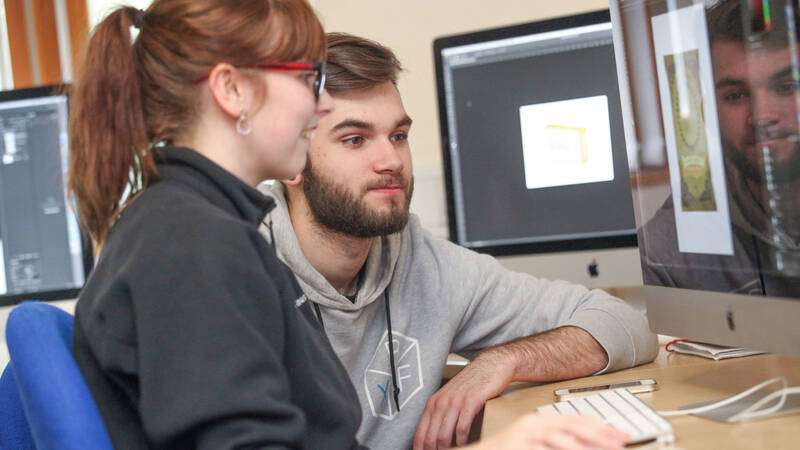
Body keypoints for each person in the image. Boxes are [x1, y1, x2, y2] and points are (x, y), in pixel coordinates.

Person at [67, 1, 628, 449]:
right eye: (306, 79)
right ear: (232, 90)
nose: (316, 108)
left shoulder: (201, 226)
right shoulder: (196, 244)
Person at [258, 32, 658, 450]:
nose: (391, 161)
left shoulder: (422, 261)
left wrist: (505, 359)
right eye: (355, 139)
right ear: (289, 158)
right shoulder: (234, 270)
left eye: (398, 136)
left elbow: (626, 325)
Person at [640, 0, 800, 296]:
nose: (762, 115)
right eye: (736, 95)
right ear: (706, 110)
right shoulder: (666, 258)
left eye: (787, 87)